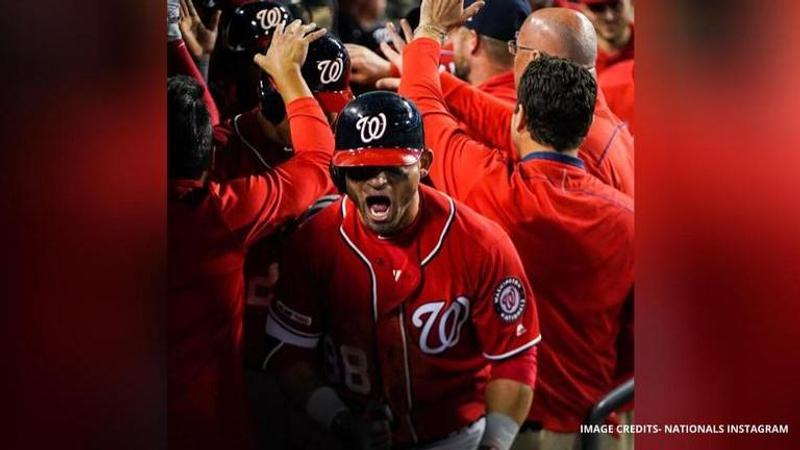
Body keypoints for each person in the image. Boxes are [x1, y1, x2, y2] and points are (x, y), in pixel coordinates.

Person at [398, 0, 634, 448]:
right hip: (601, 423)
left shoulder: (496, 190)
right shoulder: (629, 212)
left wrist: (428, 33)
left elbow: (424, 111)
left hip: (523, 429)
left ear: (520, 116)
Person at [263, 90, 541, 450]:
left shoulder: (480, 243)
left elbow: (514, 356)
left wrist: (494, 444)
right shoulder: (315, 240)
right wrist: (337, 418)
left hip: (456, 439)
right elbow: (288, 351)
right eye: (362, 169)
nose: (377, 181)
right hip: (343, 432)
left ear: (423, 163)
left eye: (392, 167)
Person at [167, 20, 334, 449]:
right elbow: (317, 160)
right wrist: (292, 77)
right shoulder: (218, 215)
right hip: (205, 426)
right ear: (208, 165)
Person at [435, 7, 634, 197]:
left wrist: (425, 69)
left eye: (516, 48)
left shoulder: (572, 136)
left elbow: (507, 126)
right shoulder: (596, 115)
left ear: (535, 58)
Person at [448, 0, 531, 103]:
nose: (452, 41)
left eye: (455, 32)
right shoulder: (534, 100)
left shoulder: (465, 112)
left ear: (472, 41)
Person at [574, 0, 634, 73]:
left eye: (616, 5)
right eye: (597, 8)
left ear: (631, 4)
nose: (609, 17)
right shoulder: (577, 59)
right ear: (582, 10)